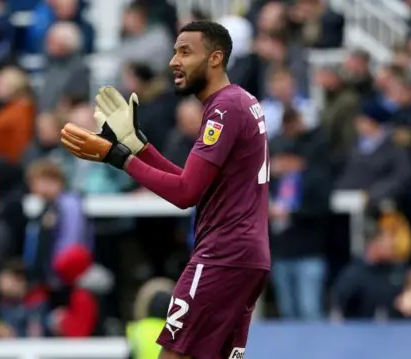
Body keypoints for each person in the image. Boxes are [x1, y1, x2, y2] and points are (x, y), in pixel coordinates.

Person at [61, 20, 270, 359]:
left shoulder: (223, 108)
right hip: (248, 257)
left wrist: (117, 157)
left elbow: (185, 193)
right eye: (174, 51)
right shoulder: (241, 101)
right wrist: (137, 146)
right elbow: (196, 186)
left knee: (170, 355)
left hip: (222, 256)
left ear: (215, 58)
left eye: (185, 52)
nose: (174, 61)